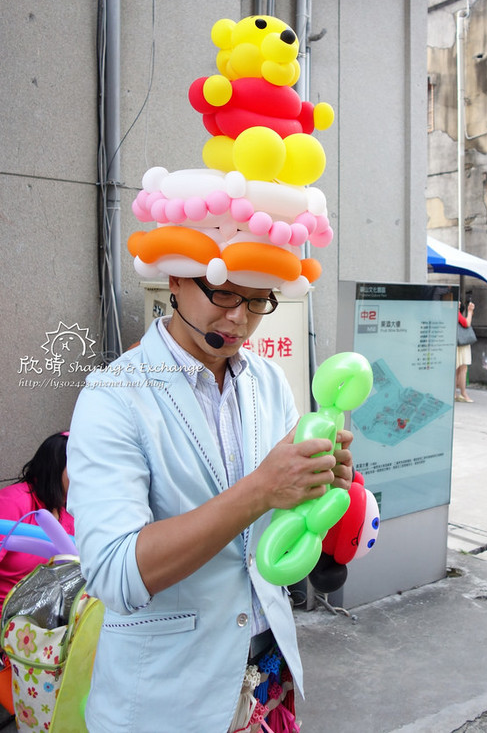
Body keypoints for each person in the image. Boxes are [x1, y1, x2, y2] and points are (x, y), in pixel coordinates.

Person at [67, 274, 354, 733]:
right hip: (166, 699)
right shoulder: (113, 395)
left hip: (267, 678)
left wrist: (311, 487)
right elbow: (114, 573)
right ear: (176, 280)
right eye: (224, 293)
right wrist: (263, 487)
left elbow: (270, 529)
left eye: (260, 301)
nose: (240, 318)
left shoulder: (268, 380)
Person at [0, 431, 74, 614]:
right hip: (8, 621)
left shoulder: (69, 509)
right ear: (55, 468)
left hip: (41, 624)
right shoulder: (12, 503)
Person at [456, 300, 475, 402]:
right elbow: (466, 323)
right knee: (463, 369)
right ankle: (463, 394)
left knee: (456, 370)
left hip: (456, 344)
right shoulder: (455, 313)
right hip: (461, 345)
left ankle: (454, 394)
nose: (459, 303)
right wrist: (470, 311)